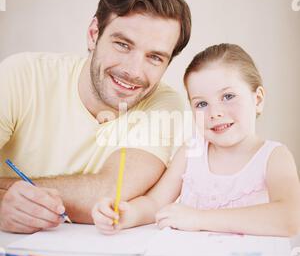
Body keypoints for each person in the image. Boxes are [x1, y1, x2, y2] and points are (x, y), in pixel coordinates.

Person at [0, 0, 192, 233]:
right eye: (123, 45)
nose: (134, 71)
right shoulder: (21, 75)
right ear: (93, 34)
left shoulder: (164, 105)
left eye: (155, 57)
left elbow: (110, 193)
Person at [93, 43, 300, 237]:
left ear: (258, 100)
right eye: (201, 104)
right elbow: (155, 202)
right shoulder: (191, 152)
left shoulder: (274, 157)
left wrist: (199, 218)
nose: (215, 113)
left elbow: (289, 218)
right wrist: (126, 214)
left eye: (228, 97)